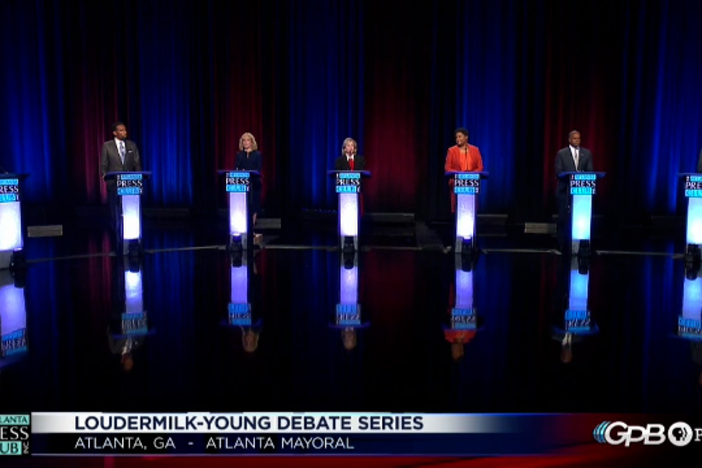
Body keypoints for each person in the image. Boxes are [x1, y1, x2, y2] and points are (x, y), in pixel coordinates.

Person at [100, 122, 142, 241]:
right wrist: (105, 177)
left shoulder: (132, 145)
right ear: (115, 133)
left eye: (125, 130)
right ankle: (116, 236)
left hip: (130, 184)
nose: (125, 132)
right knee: (115, 210)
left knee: (129, 210)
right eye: (121, 130)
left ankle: (131, 239)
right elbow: (104, 166)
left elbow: (137, 164)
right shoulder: (107, 146)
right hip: (114, 184)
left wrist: (138, 177)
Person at [554, 130, 594, 251]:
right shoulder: (561, 153)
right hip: (564, 192)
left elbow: (590, 171)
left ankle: (581, 246)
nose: (577, 140)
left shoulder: (587, 153)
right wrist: (571, 175)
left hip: (581, 193)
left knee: (579, 220)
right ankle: (561, 245)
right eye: (575, 138)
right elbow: (558, 172)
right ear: (569, 140)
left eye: (579, 138)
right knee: (563, 219)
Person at [444, 128, 484, 213]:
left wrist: (470, 175)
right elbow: (447, 168)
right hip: (456, 183)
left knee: (471, 209)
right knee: (458, 209)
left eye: (460, 137)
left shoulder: (475, 150)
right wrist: (460, 174)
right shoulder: (451, 151)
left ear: (466, 137)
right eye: (456, 137)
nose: (458, 139)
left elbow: (480, 167)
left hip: (471, 182)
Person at [234, 132, 263, 234]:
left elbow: (258, 169)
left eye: (248, 140)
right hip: (243, 185)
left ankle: (251, 229)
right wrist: (239, 172)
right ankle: (243, 229)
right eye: (244, 140)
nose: (246, 142)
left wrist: (247, 172)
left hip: (254, 184)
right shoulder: (239, 155)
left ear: (252, 142)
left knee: (254, 206)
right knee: (244, 206)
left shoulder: (257, 154)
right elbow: (236, 169)